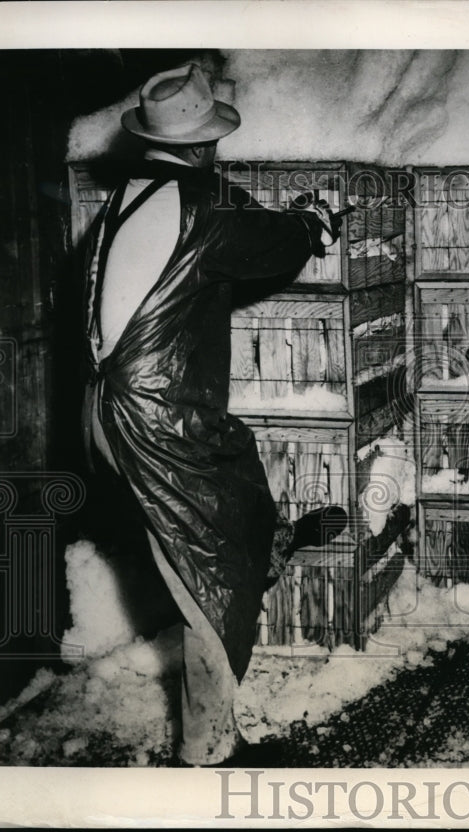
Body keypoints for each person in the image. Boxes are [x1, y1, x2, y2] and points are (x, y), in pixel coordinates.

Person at [81, 63, 341, 765]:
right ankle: (209, 754)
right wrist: (314, 221)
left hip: (113, 410)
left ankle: (269, 545)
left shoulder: (136, 192)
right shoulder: (199, 199)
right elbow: (274, 242)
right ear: (204, 144)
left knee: (232, 534)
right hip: (159, 421)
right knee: (211, 578)